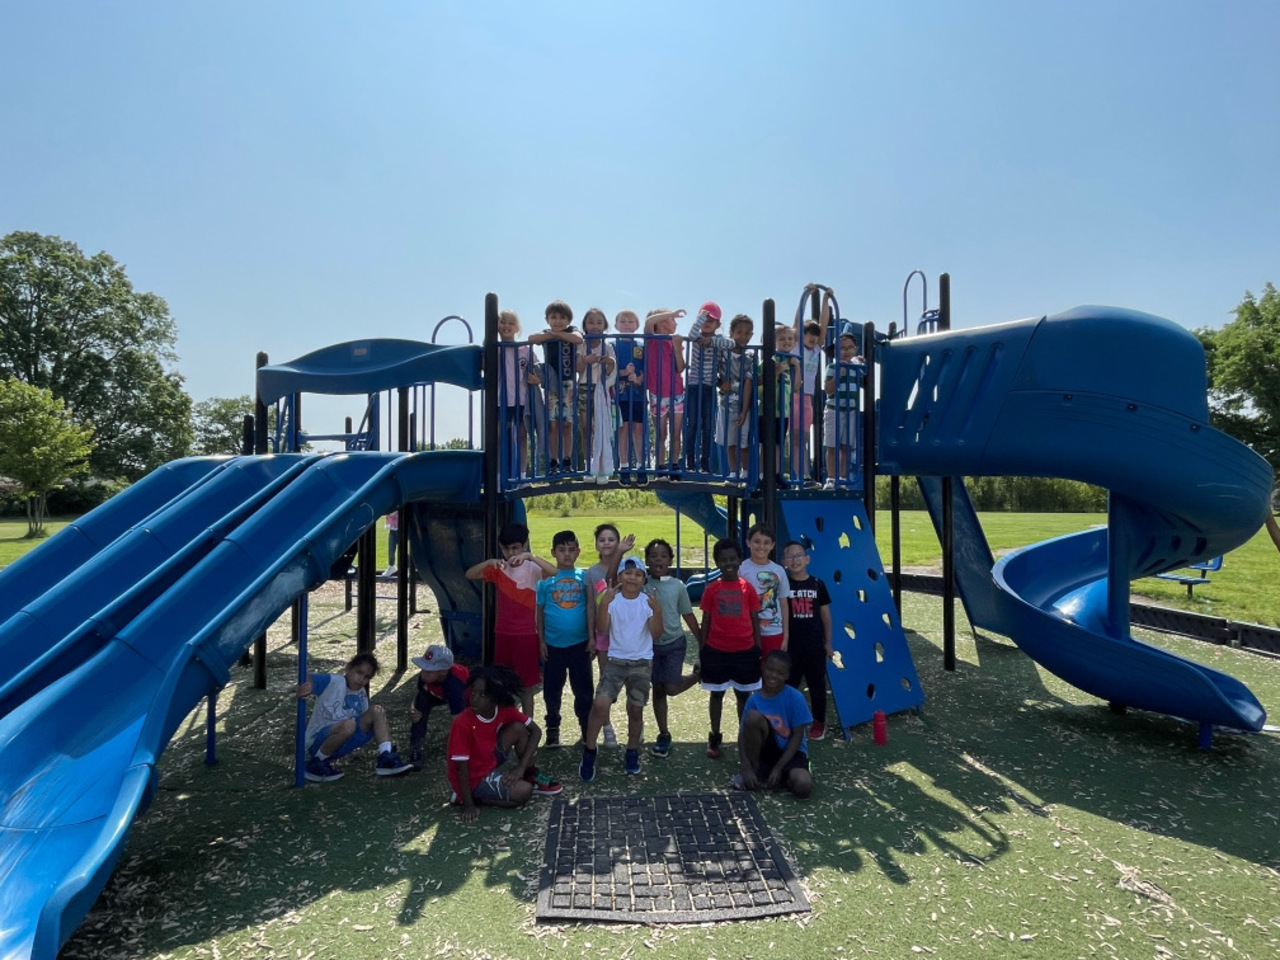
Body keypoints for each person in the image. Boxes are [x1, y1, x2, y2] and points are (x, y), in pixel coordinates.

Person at [580, 555, 663, 780]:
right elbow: (602, 629)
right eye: (628, 573)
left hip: (641, 663)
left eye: (637, 574)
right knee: (600, 704)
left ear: (644, 579)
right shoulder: (612, 599)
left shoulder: (648, 601)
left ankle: (632, 751)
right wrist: (604, 603)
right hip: (616, 662)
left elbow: (656, 633)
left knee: (635, 709)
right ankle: (589, 751)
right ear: (619, 576)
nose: (632, 578)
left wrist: (657, 612)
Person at [446, 664, 562, 822]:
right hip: (474, 776)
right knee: (525, 792)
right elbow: (461, 769)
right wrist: (469, 805)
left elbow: (536, 731)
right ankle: (471, 797)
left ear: (495, 698)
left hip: (489, 759)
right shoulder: (462, 723)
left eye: (482, 695)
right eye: (473, 692)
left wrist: (520, 768)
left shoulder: (503, 710)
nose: (474, 698)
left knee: (519, 728)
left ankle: (531, 774)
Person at [464, 521, 553, 717]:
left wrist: (531, 556)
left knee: (527, 685)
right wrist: (488, 562)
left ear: (525, 545)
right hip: (503, 632)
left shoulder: (532, 568)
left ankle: (528, 722)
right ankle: (503, 720)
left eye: (516, 548)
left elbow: (555, 572)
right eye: (506, 548)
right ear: (500, 547)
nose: (512, 554)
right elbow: (469, 574)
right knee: (500, 683)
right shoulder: (499, 568)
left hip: (527, 634)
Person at [296, 652, 412, 782]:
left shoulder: (361, 694)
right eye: (359, 672)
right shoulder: (335, 681)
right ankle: (316, 762)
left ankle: (386, 756)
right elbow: (309, 677)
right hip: (317, 740)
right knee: (349, 724)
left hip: (342, 739)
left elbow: (362, 722)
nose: (361, 679)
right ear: (348, 669)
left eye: (367, 677)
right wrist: (308, 686)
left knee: (377, 711)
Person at [697, 538, 761, 760]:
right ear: (717, 562)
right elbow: (705, 620)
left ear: (740, 560)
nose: (729, 563)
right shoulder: (711, 589)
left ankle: (744, 735)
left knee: (743, 695)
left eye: (733, 558)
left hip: (745, 651)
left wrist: (757, 648)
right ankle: (715, 735)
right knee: (717, 695)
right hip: (716, 651)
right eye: (723, 560)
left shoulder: (748, 589)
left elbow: (754, 619)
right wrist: (702, 649)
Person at [536, 529, 596, 750]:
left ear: (578, 552)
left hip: (580, 645)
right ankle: (553, 729)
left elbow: (591, 607)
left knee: (584, 690)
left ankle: (585, 728)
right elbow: (539, 613)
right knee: (552, 690)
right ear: (553, 552)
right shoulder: (546, 581)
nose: (567, 555)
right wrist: (541, 641)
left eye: (571, 550)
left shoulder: (584, 577)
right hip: (553, 646)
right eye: (562, 550)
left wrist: (592, 637)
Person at [643, 538, 702, 757]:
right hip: (651, 646)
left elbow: (688, 614)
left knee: (671, 687)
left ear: (671, 560)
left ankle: (698, 676)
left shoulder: (678, 586)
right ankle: (664, 733)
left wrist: (701, 640)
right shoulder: (642, 584)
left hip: (674, 644)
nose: (659, 560)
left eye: (663, 556)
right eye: (653, 556)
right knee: (658, 690)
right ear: (647, 561)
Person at [734, 649, 813, 798]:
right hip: (766, 751)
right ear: (763, 667)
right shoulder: (754, 699)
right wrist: (745, 767)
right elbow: (742, 734)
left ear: (787, 676)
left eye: (780, 673)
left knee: (803, 786)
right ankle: (756, 769)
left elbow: (797, 737)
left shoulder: (795, 697)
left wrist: (778, 767)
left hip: (791, 753)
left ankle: (780, 776)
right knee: (752, 718)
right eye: (770, 669)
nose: (773, 676)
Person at [584, 523, 633, 748]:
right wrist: (592, 636)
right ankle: (606, 726)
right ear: (596, 544)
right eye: (602, 539)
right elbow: (591, 607)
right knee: (606, 683)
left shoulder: (628, 569)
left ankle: (635, 726)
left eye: (611, 539)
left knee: (631, 681)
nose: (606, 543)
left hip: (624, 633)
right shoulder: (591, 573)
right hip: (604, 634)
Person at [781, 540, 833, 741]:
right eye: (790, 556)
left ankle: (819, 722)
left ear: (807, 559)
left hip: (814, 647)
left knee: (817, 685)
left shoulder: (818, 584)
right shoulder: (783, 584)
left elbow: (826, 616)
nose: (794, 560)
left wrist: (828, 643)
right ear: (784, 561)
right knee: (790, 686)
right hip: (791, 647)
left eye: (798, 555)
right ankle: (790, 722)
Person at [527, 300, 582, 475]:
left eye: (562, 318)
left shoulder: (571, 330)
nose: (558, 321)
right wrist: (552, 335)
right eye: (554, 317)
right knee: (553, 425)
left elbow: (578, 339)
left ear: (569, 319)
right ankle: (553, 461)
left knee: (567, 424)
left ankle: (566, 460)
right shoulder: (546, 333)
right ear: (547, 319)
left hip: (569, 384)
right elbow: (532, 338)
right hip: (551, 385)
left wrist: (558, 335)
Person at [792, 285, 834, 484]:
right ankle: (796, 474)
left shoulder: (816, 349)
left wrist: (825, 300)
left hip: (807, 396)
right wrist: (805, 297)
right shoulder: (796, 346)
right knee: (794, 436)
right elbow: (797, 323)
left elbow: (824, 325)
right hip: (791, 395)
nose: (813, 337)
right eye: (809, 333)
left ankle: (805, 475)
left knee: (804, 438)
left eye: (815, 335)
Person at [684, 301, 730, 474]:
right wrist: (701, 317)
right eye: (704, 319)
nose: (707, 322)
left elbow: (731, 344)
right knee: (693, 423)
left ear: (718, 324)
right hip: (694, 386)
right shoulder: (695, 338)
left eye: (712, 320)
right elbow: (691, 333)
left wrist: (712, 340)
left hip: (710, 387)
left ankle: (704, 462)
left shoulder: (719, 341)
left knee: (708, 426)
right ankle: (689, 461)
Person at [407, 644, 470, 770]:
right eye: (423, 668)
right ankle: (415, 748)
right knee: (421, 704)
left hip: (467, 698)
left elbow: (458, 718)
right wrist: (413, 707)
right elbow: (420, 693)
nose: (423, 674)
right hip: (438, 694)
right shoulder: (426, 677)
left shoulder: (454, 685)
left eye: (428, 670)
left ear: (442, 672)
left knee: (466, 723)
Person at [496, 308, 541, 481]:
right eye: (503, 322)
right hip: (501, 400)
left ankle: (522, 475)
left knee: (522, 436)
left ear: (517, 328)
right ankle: (499, 477)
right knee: (499, 438)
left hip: (522, 399)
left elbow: (536, 370)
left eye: (511, 322)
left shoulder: (525, 350)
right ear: (497, 326)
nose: (507, 325)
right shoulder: (495, 349)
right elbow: (485, 368)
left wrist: (536, 379)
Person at [739, 523, 791, 660]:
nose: (761, 546)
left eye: (766, 542)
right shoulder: (741, 569)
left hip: (774, 632)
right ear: (748, 542)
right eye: (757, 541)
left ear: (772, 545)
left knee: (771, 671)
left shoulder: (779, 571)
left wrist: (785, 635)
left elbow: (784, 603)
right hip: (748, 632)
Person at [576, 307, 616, 483]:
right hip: (585, 386)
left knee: (601, 427)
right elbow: (578, 369)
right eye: (591, 322)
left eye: (599, 322)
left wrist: (609, 362)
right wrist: (586, 360)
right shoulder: (581, 344)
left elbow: (611, 372)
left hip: (600, 389)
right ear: (584, 325)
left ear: (605, 326)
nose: (594, 326)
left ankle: (602, 468)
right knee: (586, 427)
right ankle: (588, 466)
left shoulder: (607, 347)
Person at [644, 308, 686, 475]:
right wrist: (671, 313)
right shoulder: (652, 340)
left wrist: (676, 347)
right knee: (661, 434)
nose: (675, 322)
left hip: (676, 393)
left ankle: (674, 465)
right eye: (672, 320)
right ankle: (660, 466)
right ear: (661, 322)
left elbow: (680, 367)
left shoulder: (674, 341)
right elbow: (648, 322)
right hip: (657, 394)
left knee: (676, 434)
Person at [823, 330, 864, 490]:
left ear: (855, 349)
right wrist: (838, 376)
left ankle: (844, 478)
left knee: (847, 447)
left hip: (851, 411)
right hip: (834, 410)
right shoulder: (833, 366)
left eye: (849, 348)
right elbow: (827, 389)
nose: (845, 351)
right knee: (832, 446)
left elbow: (865, 374)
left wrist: (860, 361)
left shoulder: (857, 367)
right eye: (841, 348)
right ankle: (832, 479)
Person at [718, 314, 755, 482]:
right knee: (730, 441)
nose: (743, 336)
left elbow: (748, 384)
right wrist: (720, 384)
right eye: (739, 332)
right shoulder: (723, 354)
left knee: (744, 442)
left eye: (747, 333)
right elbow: (713, 375)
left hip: (742, 405)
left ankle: (745, 473)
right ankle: (733, 472)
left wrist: (745, 410)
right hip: (726, 403)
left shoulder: (750, 356)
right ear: (731, 333)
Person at [765, 324, 802, 485]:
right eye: (781, 339)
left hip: (783, 411)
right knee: (766, 443)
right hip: (767, 410)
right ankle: (764, 474)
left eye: (790, 338)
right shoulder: (771, 358)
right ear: (773, 342)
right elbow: (764, 382)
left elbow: (796, 386)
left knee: (779, 443)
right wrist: (776, 371)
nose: (786, 341)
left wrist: (797, 366)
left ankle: (778, 473)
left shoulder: (790, 361)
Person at [613, 309, 647, 475]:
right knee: (623, 428)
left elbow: (647, 369)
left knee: (638, 429)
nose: (627, 325)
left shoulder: (641, 345)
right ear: (616, 325)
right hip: (621, 396)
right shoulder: (612, 345)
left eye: (630, 322)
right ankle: (624, 464)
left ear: (637, 325)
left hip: (638, 395)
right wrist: (624, 373)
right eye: (623, 322)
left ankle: (641, 464)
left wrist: (639, 379)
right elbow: (610, 371)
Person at [384, 511, 400, 577]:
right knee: (391, 549)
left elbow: (392, 513)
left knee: (403, 550)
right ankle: (391, 566)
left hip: (401, 526)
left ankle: (408, 568)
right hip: (393, 527)